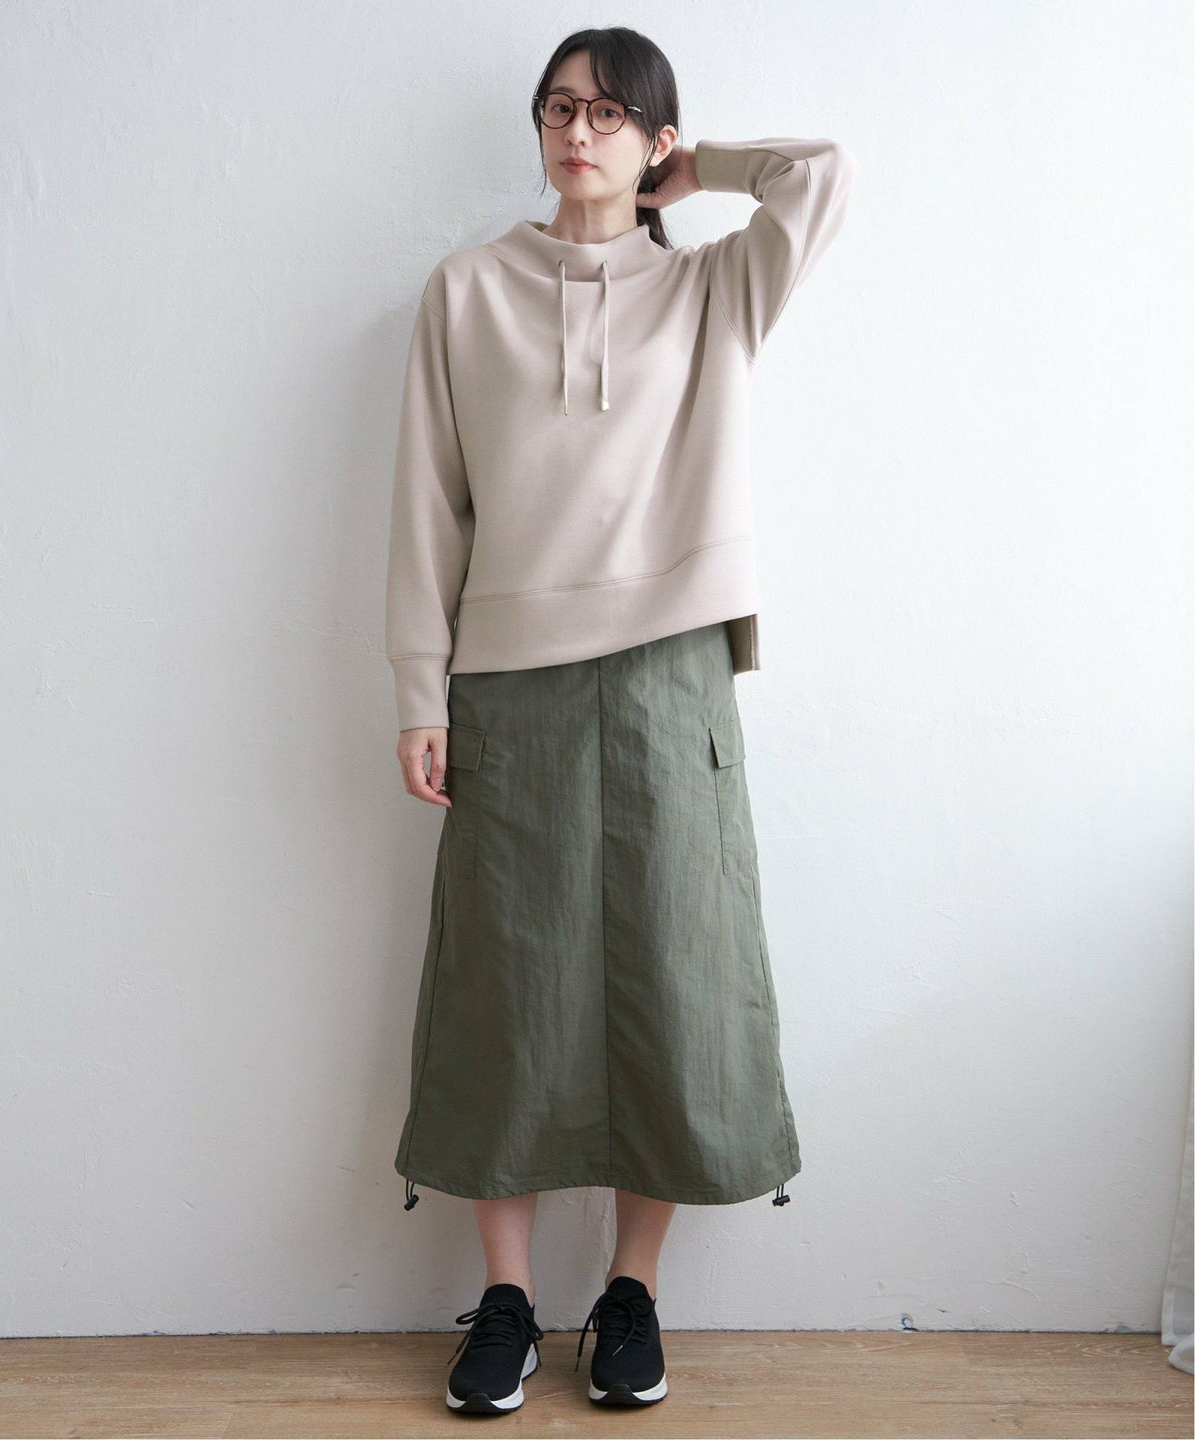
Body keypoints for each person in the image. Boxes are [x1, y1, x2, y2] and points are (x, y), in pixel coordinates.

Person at [384, 25, 857, 1416]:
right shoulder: (465, 292)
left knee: (677, 982)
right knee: (507, 988)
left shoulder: (714, 288)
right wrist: (418, 687)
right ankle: (509, 1301)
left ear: (651, 136)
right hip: (507, 679)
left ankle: (631, 1293)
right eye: (557, 109)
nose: (575, 132)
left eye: (607, 113)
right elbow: (427, 506)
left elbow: (825, 177)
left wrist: (694, 171)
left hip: (671, 675)